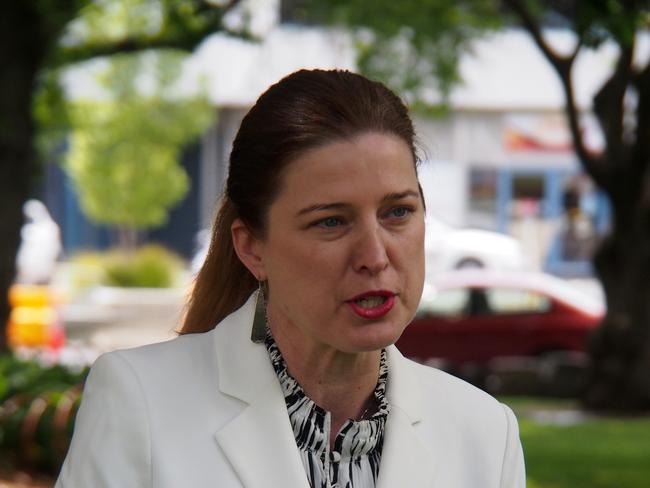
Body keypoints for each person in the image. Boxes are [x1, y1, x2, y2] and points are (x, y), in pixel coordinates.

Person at [56, 69, 525, 487]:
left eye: (398, 212)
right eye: (331, 222)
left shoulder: (484, 433)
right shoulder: (141, 401)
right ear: (251, 248)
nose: (375, 256)